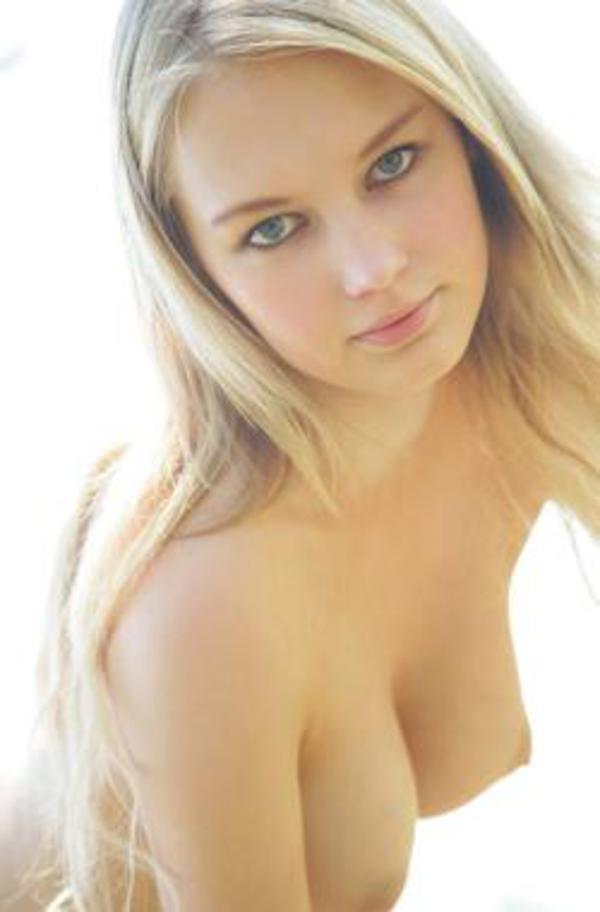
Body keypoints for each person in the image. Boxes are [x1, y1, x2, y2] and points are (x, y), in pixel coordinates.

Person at [5, 1, 599, 910]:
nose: (373, 269)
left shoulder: (551, 357)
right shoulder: (205, 595)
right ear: (197, 274)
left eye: (392, 164)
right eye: (274, 230)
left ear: (467, 127)